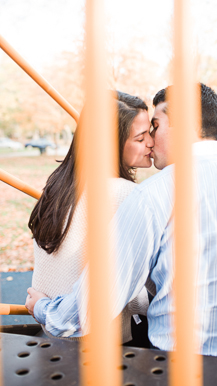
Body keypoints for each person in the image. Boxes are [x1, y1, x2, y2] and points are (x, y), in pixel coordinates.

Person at [26, 83, 217, 362]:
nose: (152, 139)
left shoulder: (153, 196)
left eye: (156, 127)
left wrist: (43, 309)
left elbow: (93, 306)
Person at [28, 91, 154, 344]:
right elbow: (124, 291)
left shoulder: (57, 186)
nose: (151, 142)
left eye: (150, 132)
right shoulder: (125, 194)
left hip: (51, 331)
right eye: (140, 138)